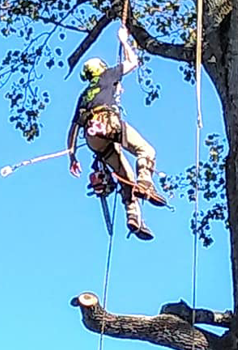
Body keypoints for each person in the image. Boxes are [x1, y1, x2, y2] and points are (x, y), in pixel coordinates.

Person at [67, 25, 167, 241]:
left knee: (125, 177)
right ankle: (145, 182)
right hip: (108, 123)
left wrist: (72, 157)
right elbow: (133, 62)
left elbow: (73, 129)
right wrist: (124, 40)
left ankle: (133, 216)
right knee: (146, 150)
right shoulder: (107, 75)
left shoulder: (84, 96)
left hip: (93, 138)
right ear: (100, 68)